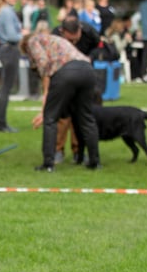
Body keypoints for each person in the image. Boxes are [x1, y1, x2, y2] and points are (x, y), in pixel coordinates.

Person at [21, 33, 100, 172]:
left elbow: (43, 63)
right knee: (86, 118)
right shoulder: (54, 39)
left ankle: (48, 164)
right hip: (88, 71)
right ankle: (94, 161)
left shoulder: (33, 41)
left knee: (50, 119)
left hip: (66, 72)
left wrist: (45, 103)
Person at [0, 0, 26, 133]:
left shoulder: (4, 11)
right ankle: (1, 123)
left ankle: (1, 123)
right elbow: (12, 36)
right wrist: (23, 34)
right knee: (6, 87)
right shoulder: (7, 11)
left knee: (6, 87)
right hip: (10, 50)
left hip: (6, 50)